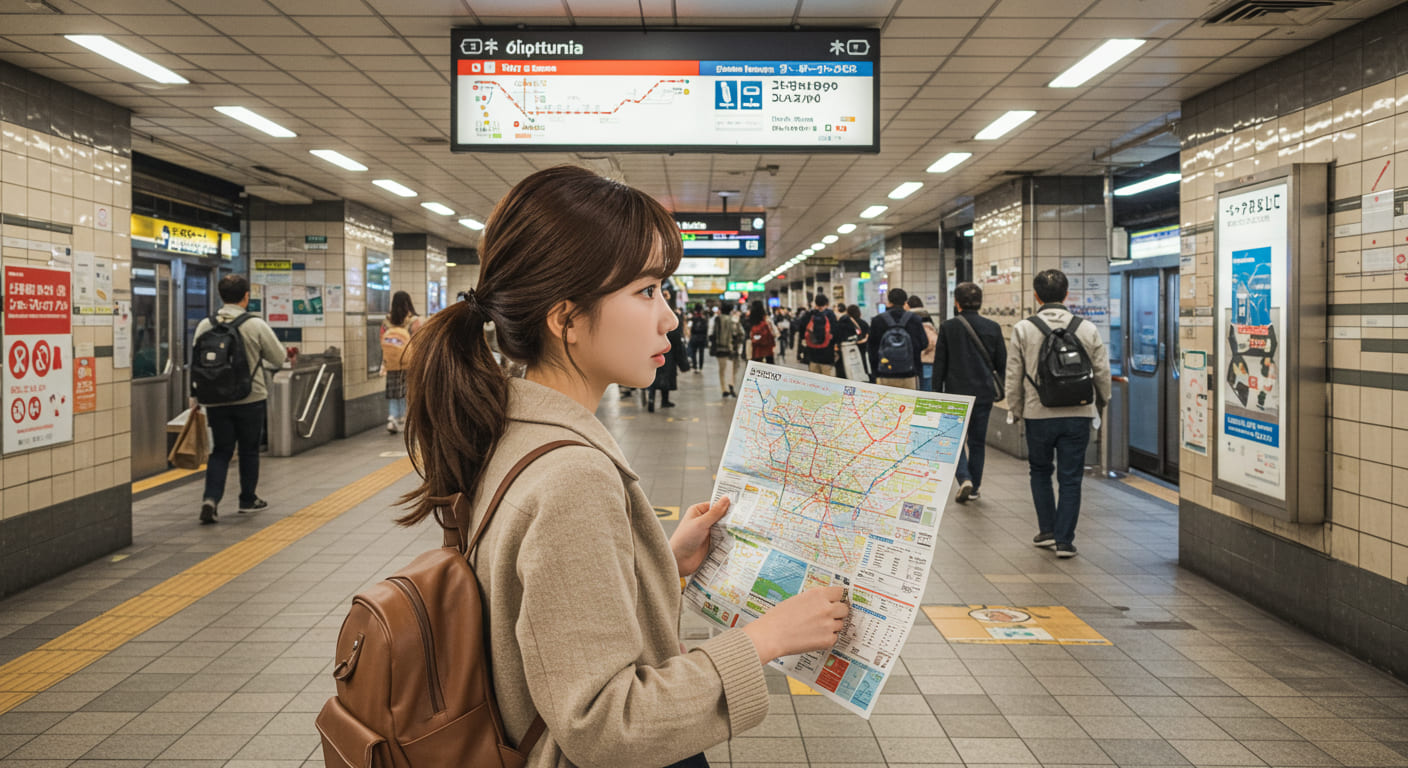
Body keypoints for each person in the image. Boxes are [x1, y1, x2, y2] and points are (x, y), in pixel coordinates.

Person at [397, 166, 848, 768]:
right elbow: (605, 723)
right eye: (646, 291)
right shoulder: (571, 477)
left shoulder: (507, 430)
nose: (669, 317)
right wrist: (766, 639)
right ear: (567, 320)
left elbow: (545, 615)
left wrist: (659, 558)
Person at [1005, 269, 1112, 559]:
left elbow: (1014, 374)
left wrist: (1014, 410)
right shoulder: (1086, 328)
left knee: (1040, 471)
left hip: (1038, 413)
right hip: (1078, 413)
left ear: (1036, 296)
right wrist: (1102, 402)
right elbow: (1102, 371)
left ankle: (1047, 531)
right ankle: (1065, 541)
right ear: (1066, 295)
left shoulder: (1024, 328)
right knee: (1071, 477)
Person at [193, 273, 287, 525]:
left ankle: (210, 500)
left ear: (220, 296)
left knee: (220, 451)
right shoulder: (254, 324)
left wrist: (195, 396)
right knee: (248, 449)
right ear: (247, 297)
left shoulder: (205, 325)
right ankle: (247, 499)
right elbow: (278, 358)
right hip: (250, 397)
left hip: (215, 400)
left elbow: (196, 363)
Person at [933, 282, 1007, 504]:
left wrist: (936, 393)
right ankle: (975, 487)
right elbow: (1001, 363)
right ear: (981, 302)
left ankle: (964, 477)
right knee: (977, 442)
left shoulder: (948, 327)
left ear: (956, 303)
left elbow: (940, 364)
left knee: (954, 441)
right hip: (983, 394)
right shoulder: (993, 327)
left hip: (955, 394)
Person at [380, 290, 423, 434]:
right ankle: (405, 418)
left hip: (391, 362)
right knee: (407, 389)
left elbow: (382, 340)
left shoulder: (387, 321)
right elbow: (418, 342)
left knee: (393, 389)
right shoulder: (413, 320)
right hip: (409, 361)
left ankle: (393, 417)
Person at [867, 288, 928, 389]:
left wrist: (875, 373)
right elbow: (924, 343)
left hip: (884, 374)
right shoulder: (915, 319)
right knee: (908, 404)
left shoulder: (877, 320)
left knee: (885, 404)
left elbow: (872, 349)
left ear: (889, 301)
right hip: (910, 374)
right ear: (905, 302)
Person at [648, 286, 690, 411]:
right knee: (665, 377)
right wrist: (683, 363)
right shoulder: (671, 319)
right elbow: (677, 341)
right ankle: (664, 401)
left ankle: (652, 398)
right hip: (667, 353)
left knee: (654, 377)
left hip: (652, 351)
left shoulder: (651, 316)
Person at [709, 302, 744, 397]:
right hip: (732, 349)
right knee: (731, 369)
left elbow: (712, 333)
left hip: (720, 349)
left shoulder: (717, 319)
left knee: (722, 370)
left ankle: (724, 388)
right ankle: (731, 385)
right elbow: (742, 334)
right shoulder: (735, 320)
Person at [799, 294, 838, 376]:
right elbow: (835, 332)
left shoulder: (809, 315)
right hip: (827, 353)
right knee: (827, 380)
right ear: (826, 304)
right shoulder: (830, 315)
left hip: (812, 353)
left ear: (815, 303)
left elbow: (802, 330)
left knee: (815, 380)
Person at [906, 295, 938, 391]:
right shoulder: (927, 317)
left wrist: (921, 350)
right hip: (928, 361)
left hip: (923, 360)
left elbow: (931, 341)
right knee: (926, 390)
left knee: (923, 390)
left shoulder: (915, 318)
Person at [834, 304, 869, 380]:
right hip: (860, 355)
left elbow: (837, 338)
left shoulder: (841, 323)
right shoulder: (864, 324)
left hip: (845, 355)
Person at [744, 300, 777, 365]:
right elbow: (769, 336)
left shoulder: (750, 322)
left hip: (756, 351)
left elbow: (754, 336)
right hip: (767, 351)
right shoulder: (765, 323)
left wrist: (754, 339)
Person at [686, 303, 709, 373]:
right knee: (701, 353)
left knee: (694, 352)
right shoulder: (704, 319)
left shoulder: (693, 318)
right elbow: (706, 330)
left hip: (695, 337)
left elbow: (690, 328)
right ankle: (701, 367)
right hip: (702, 338)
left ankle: (695, 367)